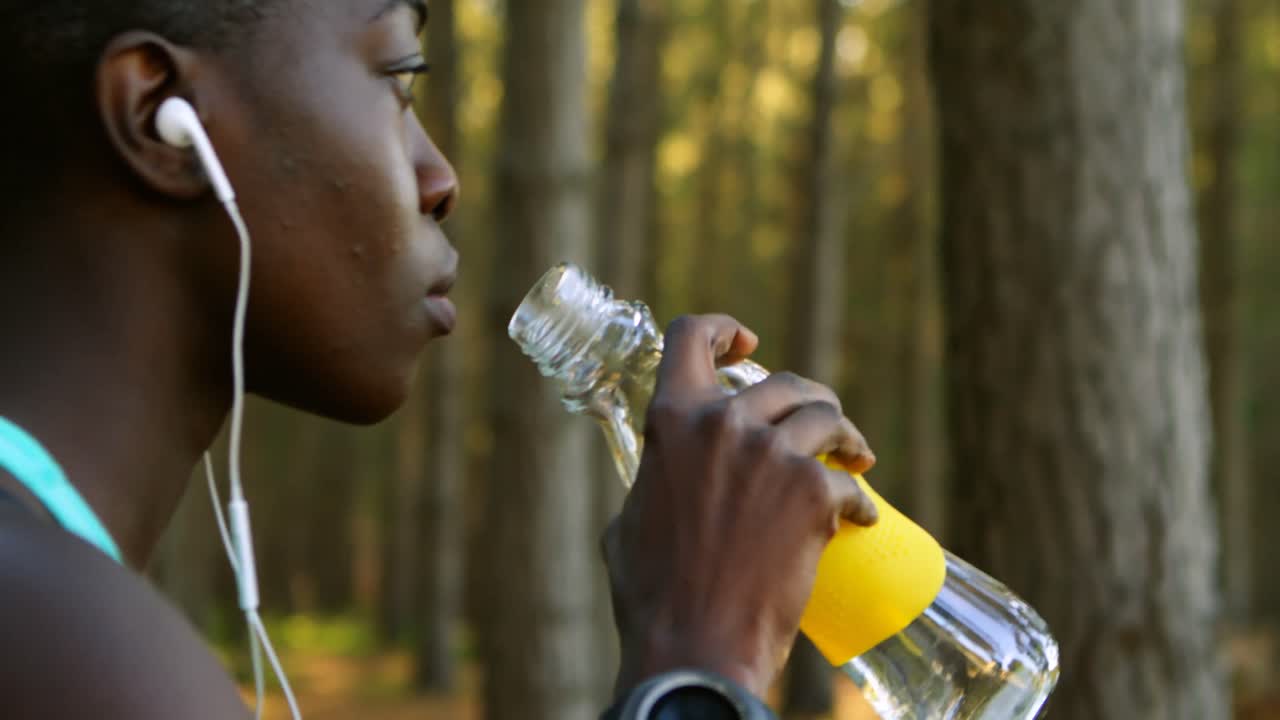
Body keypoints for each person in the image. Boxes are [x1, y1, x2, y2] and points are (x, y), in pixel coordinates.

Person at [0, 1, 879, 718]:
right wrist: (699, 658)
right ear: (158, 114)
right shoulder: (69, 647)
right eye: (398, 79)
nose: (440, 178)